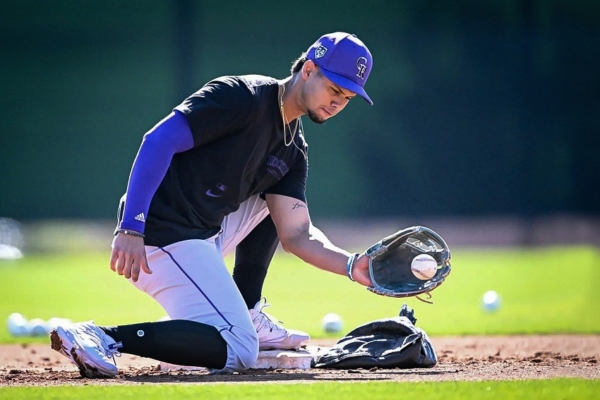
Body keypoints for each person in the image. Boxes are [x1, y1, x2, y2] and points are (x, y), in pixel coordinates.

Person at [50, 31, 375, 378]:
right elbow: (158, 140)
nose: (338, 102)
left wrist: (354, 266)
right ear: (308, 69)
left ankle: (245, 308)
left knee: (276, 198)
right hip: (161, 234)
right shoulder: (243, 97)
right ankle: (101, 336)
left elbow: (297, 234)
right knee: (239, 349)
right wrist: (132, 226)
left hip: (205, 234)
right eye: (335, 89)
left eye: (348, 97)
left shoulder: (293, 149)